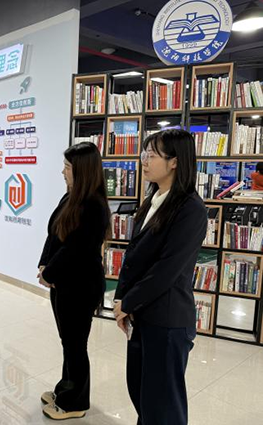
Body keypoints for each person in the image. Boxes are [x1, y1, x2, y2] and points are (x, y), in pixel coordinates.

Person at [114, 129, 207, 425]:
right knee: (143, 395)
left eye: (151, 155)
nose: (144, 161)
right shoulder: (153, 199)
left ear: (174, 162)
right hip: (143, 315)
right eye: (144, 154)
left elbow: (167, 269)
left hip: (167, 319)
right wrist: (122, 301)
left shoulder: (191, 209)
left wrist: (128, 302)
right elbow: (134, 257)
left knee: (164, 406)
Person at [37, 142, 111, 420]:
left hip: (81, 286)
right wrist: (44, 264)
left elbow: (76, 249)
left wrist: (49, 274)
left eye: (67, 167)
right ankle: (65, 389)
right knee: (68, 341)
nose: (63, 172)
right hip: (63, 283)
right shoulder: (71, 197)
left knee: (75, 344)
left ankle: (75, 403)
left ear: (82, 170)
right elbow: (53, 235)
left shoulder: (94, 206)